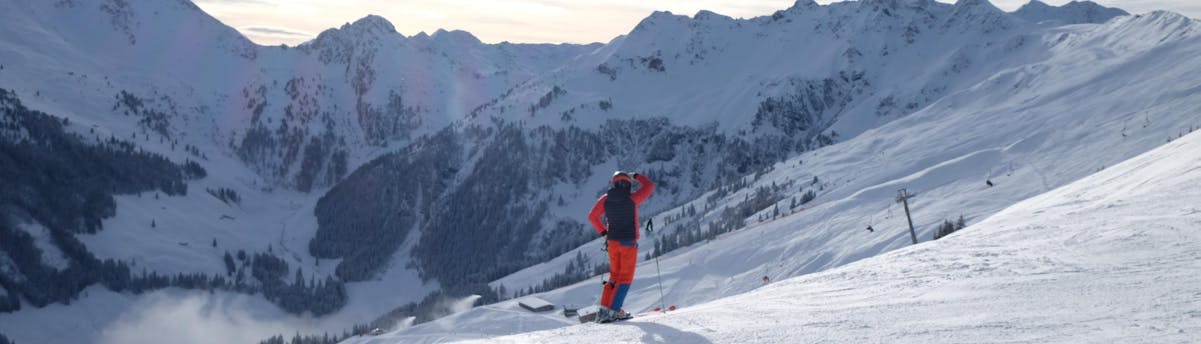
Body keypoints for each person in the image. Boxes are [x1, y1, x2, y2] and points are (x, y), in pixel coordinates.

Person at [588, 171, 654, 322]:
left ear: (614, 183)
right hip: (628, 243)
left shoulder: (605, 199)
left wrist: (604, 233)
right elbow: (650, 186)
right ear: (628, 184)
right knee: (625, 278)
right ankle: (615, 311)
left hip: (612, 243)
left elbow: (592, 217)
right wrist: (636, 176)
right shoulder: (632, 199)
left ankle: (604, 311)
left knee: (614, 277)